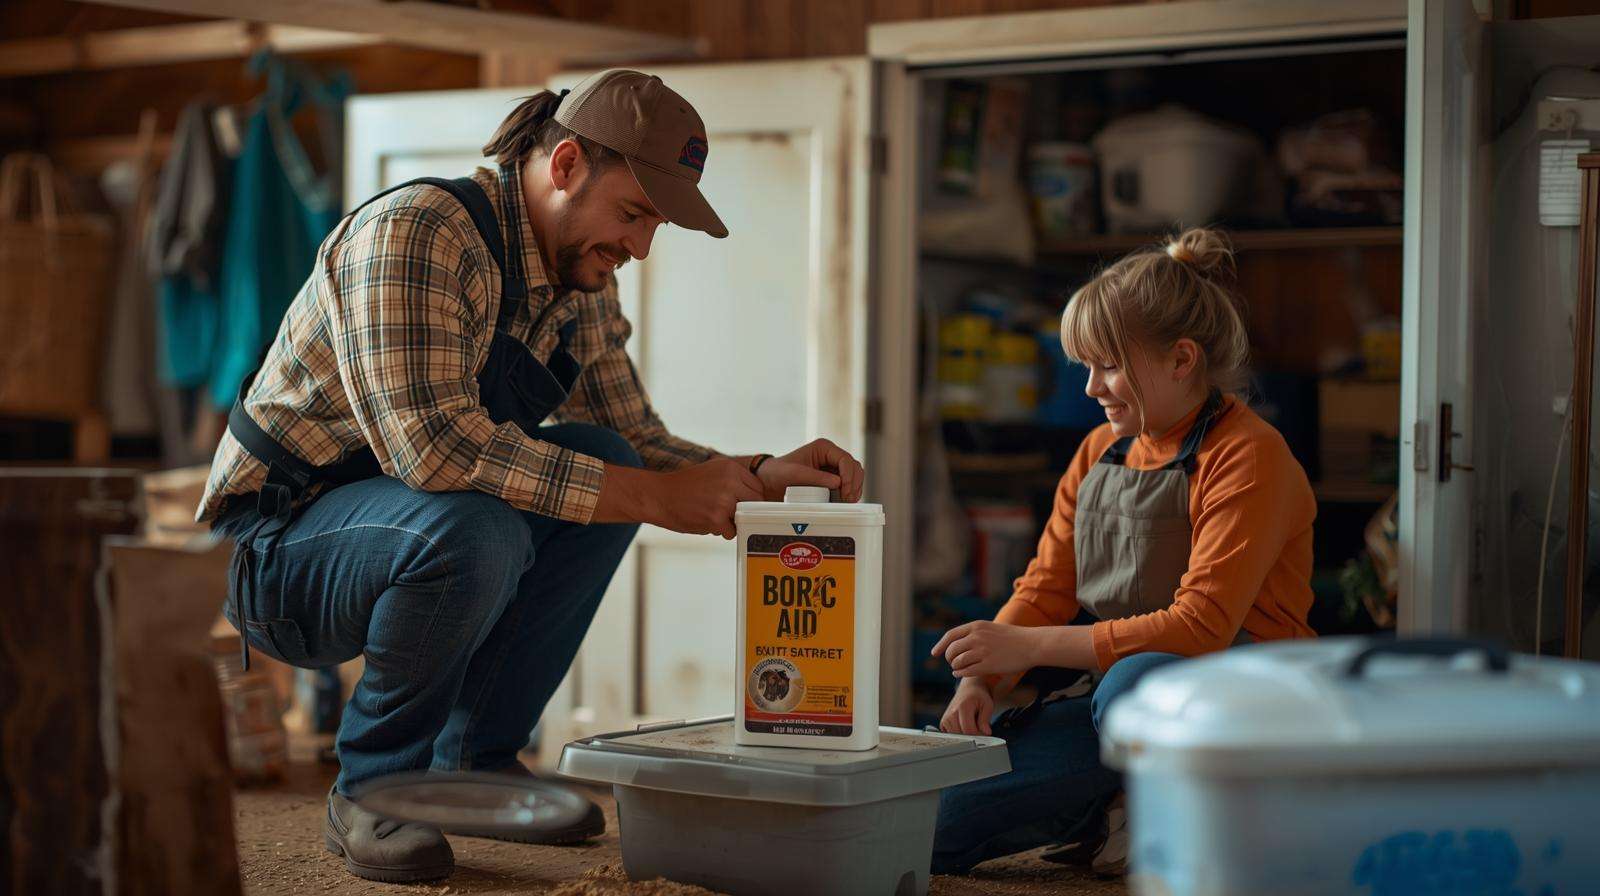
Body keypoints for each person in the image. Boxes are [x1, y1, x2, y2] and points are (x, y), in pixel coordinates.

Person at [197, 69, 865, 883]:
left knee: (606, 463)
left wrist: (757, 474)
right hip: (275, 550)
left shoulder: (578, 282)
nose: (642, 247)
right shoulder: (419, 233)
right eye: (635, 213)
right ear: (566, 165)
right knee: (480, 524)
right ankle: (375, 786)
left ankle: (474, 759)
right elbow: (435, 451)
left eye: (655, 223)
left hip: (405, 528)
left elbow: (637, 441)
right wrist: (657, 498)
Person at [929, 227, 1316, 876]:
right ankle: (1105, 804)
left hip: (1239, 692)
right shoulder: (1099, 451)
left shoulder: (1250, 455)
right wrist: (982, 679)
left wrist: (1026, 650)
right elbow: (1046, 588)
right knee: (936, 824)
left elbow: (1200, 627)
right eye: (1085, 366)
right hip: (1115, 690)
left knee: (1135, 687)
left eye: (1107, 365)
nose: (1089, 388)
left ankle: (1170, 810)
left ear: (1181, 359)